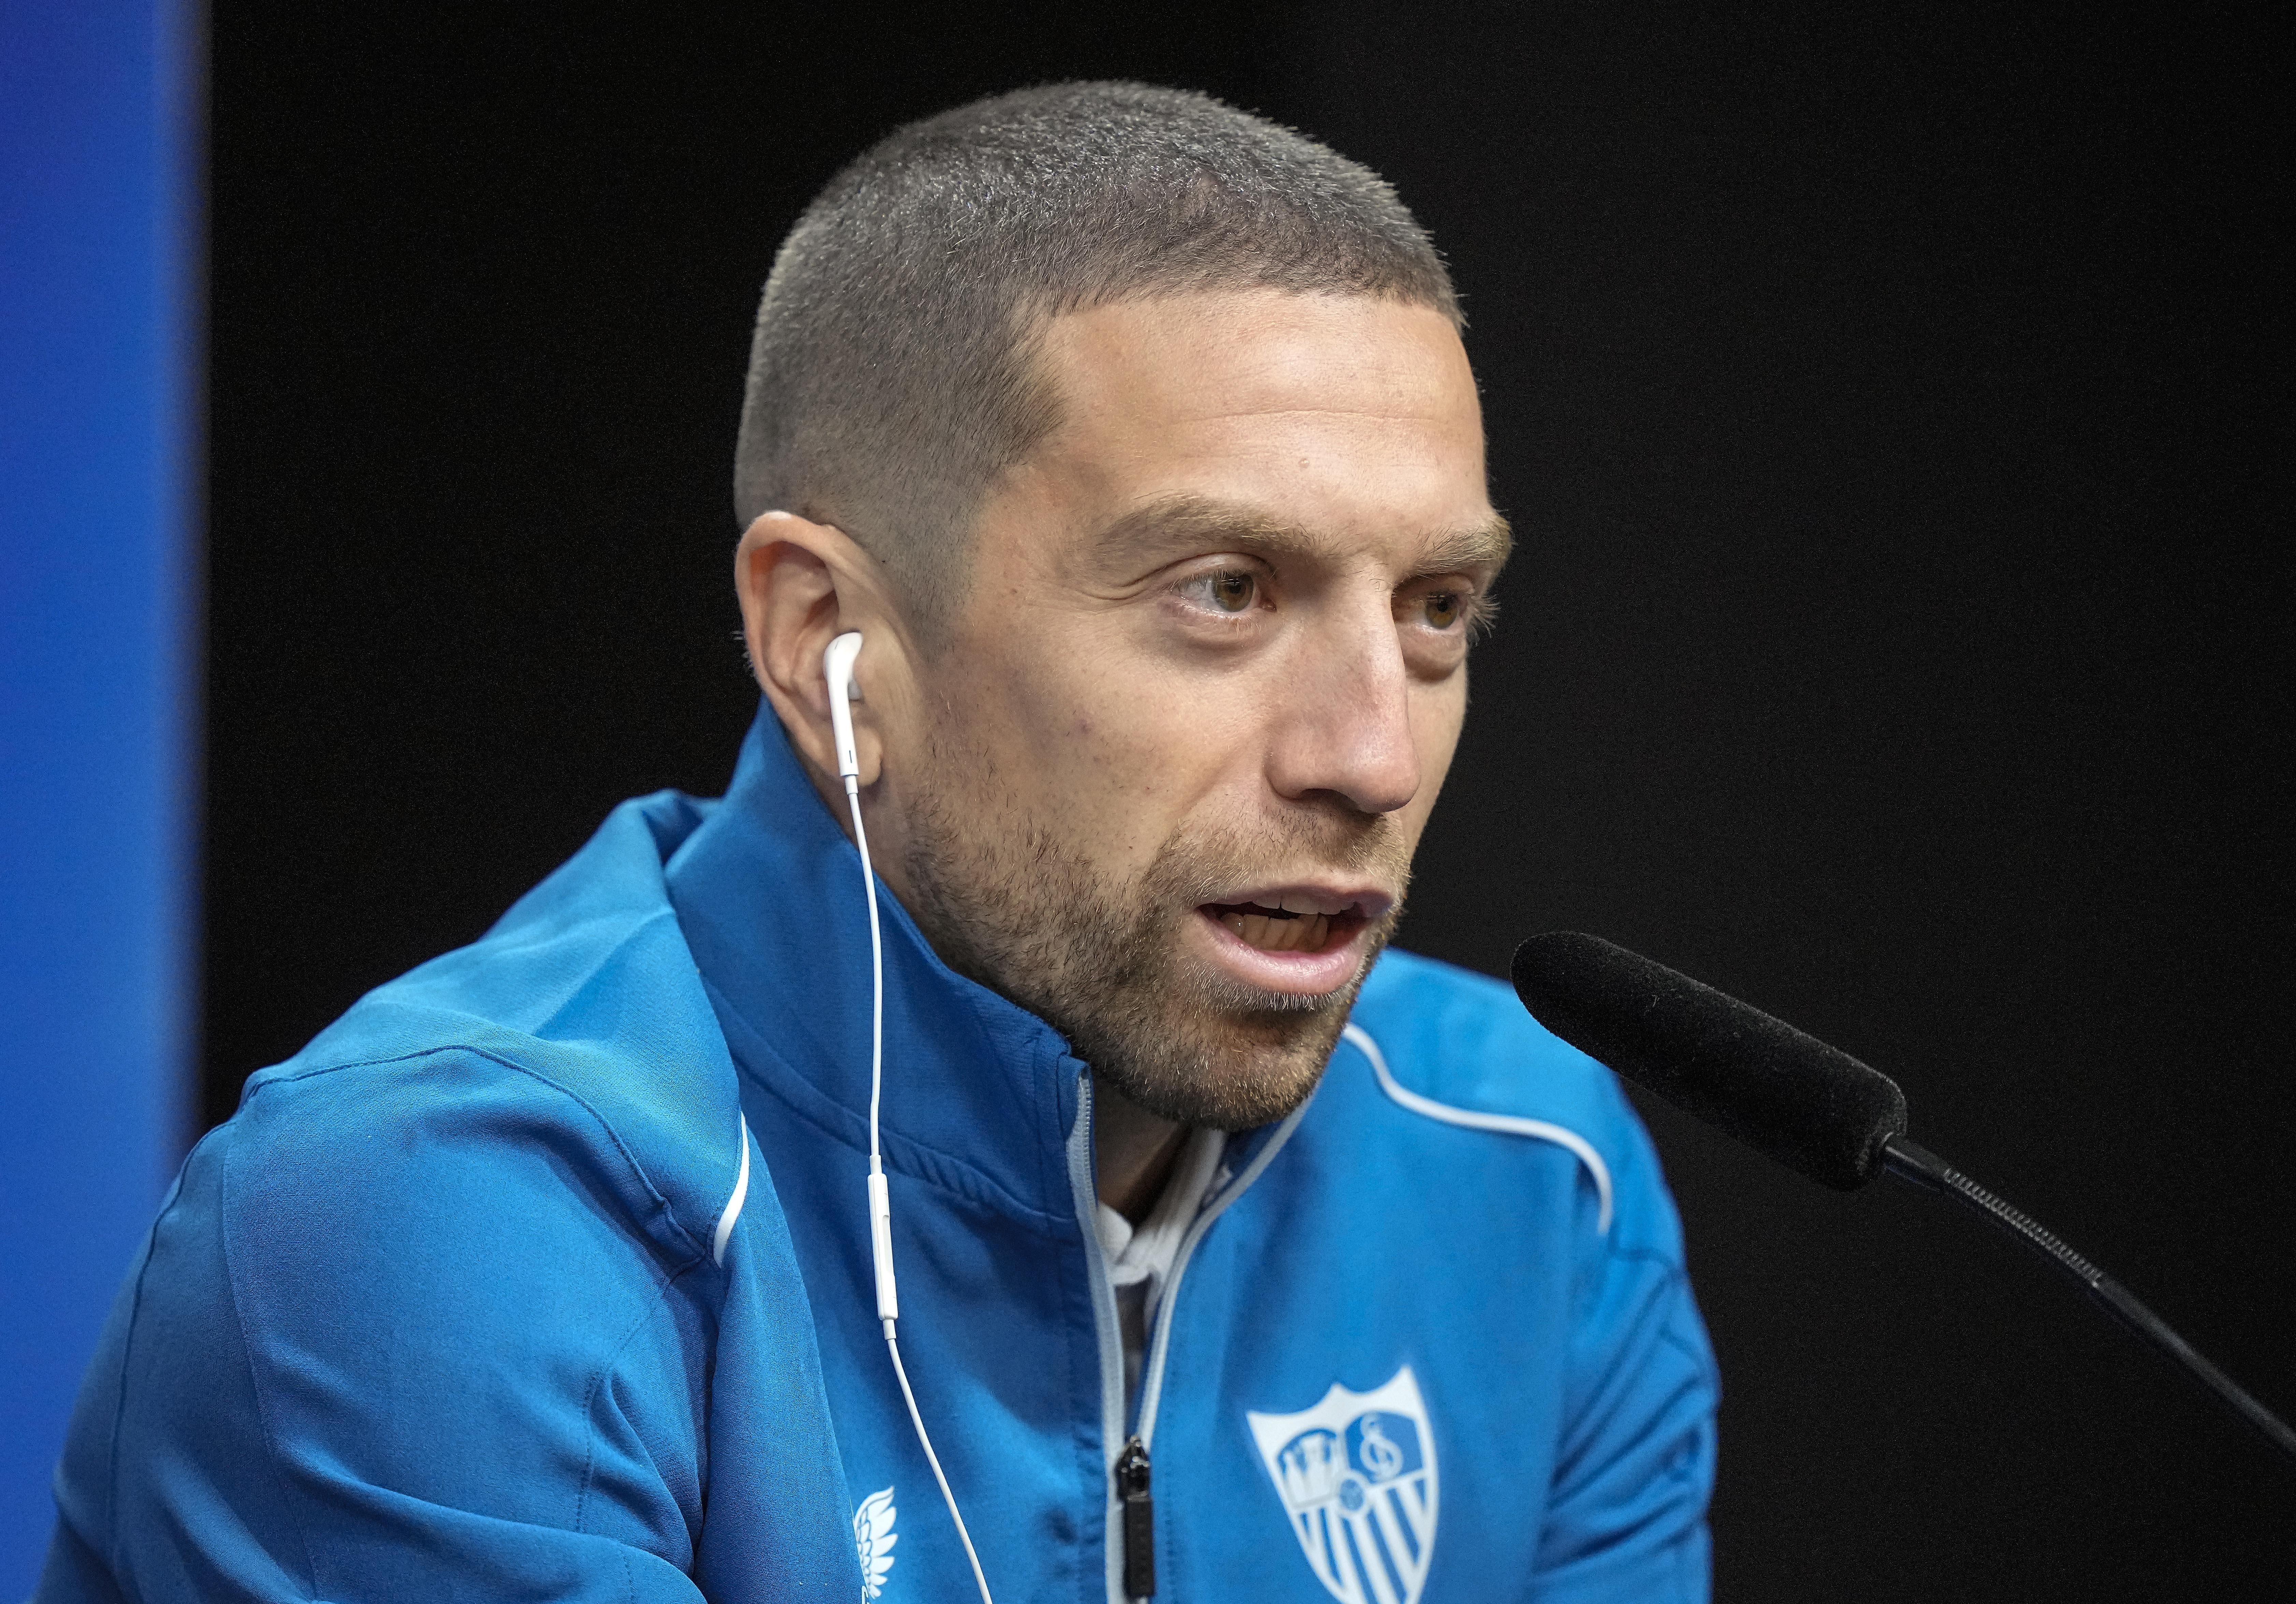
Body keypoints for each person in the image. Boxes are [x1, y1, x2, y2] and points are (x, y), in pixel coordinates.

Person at [39, 83, 1718, 1604]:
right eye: (1224, 591)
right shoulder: (437, 1222)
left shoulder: (1529, 1166)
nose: (1371, 752)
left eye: (1440, 610)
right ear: (827, 635)